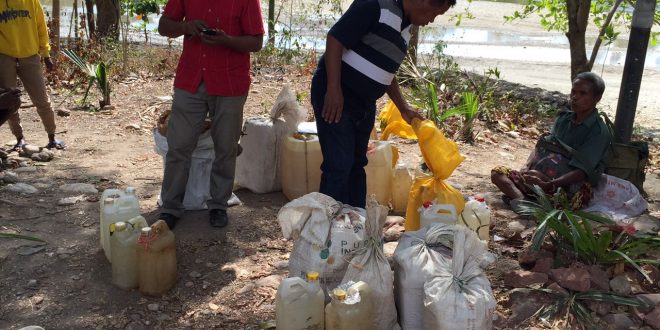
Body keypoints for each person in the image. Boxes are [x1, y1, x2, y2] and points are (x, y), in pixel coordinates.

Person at [311, 0, 456, 209]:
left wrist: (403, 107)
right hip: (338, 94)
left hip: (365, 103)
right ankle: (327, 229)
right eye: (433, 13)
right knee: (338, 166)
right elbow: (335, 39)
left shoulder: (406, 28)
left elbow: (386, 71)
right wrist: (333, 89)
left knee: (357, 164)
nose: (430, 21)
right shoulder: (376, 5)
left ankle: (356, 226)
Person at [157, 0, 264, 229]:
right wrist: (187, 27)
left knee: (226, 148)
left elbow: (256, 41)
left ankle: (218, 205)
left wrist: (226, 41)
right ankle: (170, 208)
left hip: (230, 81)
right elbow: (164, 26)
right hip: (191, 78)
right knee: (179, 146)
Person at [491, 72, 611, 210]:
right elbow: (543, 146)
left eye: (583, 93)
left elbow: (581, 172)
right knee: (497, 174)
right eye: (573, 91)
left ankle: (526, 199)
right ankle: (523, 200)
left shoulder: (599, 132)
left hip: (566, 188)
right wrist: (527, 167)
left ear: (597, 98)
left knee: (564, 198)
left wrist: (549, 184)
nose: (575, 97)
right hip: (539, 178)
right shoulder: (563, 119)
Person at [0, 0, 64, 151]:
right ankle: (19, 138)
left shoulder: (32, 2)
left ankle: (52, 136)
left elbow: (41, 28)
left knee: (42, 99)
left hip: (30, 56)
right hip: (4, 57)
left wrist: (46, 54)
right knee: (10, 101)